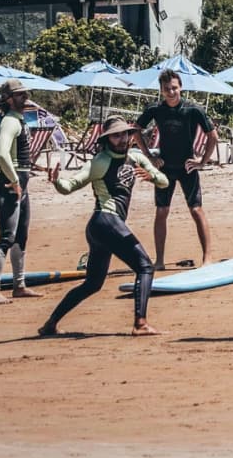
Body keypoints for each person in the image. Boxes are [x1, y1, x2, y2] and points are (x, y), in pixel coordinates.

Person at [39, 117, 168, 337]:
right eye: (116, 135)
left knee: (93, 283)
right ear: (107, 139)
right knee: (145, 266)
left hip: (103, 228)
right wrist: (57, 180)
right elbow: (70, 186)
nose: (122, 139)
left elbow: (164, 181)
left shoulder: (136, 157)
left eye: (125, 134)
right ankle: (140, 323)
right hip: (105, 221)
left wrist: (152, 176)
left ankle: (50, 324)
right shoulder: (99, 161)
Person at [134, 69, 219, 269]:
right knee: (161, 211)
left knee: (196, 210)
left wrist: (202, 162)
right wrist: (149, 157)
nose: (171, 92)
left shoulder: (193, 109)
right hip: (164, 168)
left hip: (187, 168)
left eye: (174, 88)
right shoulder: (155, 109)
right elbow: (135, 130)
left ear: (180, 87)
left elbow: (213, 136)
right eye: (167, 89)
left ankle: (207, 258)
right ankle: (160, 261)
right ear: (161, 91)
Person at [0, 79, 42, 303]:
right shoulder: (10, 121)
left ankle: (19, 285)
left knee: (21, 236)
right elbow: (1, 154)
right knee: (7, 237)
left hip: (21, 182)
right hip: (11, 184)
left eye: (24, 94)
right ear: (9, 99)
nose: (24, 98)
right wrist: (15, 181)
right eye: (19, 95)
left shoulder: (18, 120)